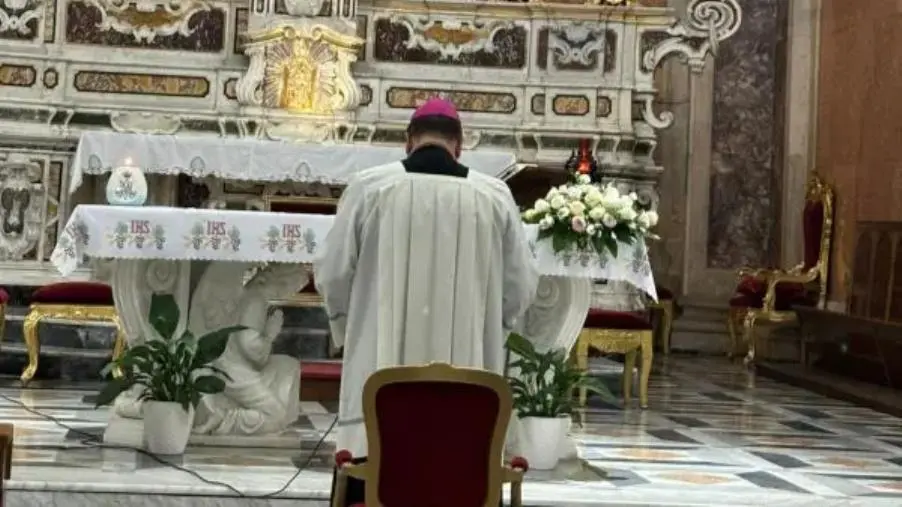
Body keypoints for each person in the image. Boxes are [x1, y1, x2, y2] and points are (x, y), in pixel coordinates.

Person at [314, 98, 539, 506]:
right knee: (464, 460)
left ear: (407, 142)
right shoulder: (494, 196)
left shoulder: (370, 188)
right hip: (472, 378)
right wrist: (490, 326)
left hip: (378, 372)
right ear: (460, 145)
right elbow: (520, 286)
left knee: (378, 453)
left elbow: (331, 273)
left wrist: (351, 328)